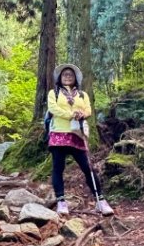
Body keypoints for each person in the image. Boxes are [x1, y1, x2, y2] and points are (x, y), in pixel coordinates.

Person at [47, 63, 113, 216]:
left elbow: (88, 109)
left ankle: (100, 200)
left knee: (87, 167)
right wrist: (71, 114)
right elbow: (53, 109)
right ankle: (61, 201)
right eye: (65, 75)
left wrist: (81, 114)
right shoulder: (54, 93)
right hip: (59, 133)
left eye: (70, 75)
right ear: (60, 78)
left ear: (75, 78)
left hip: (78, 134)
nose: (68, 77)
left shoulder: (82, 95)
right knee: (58, 167)